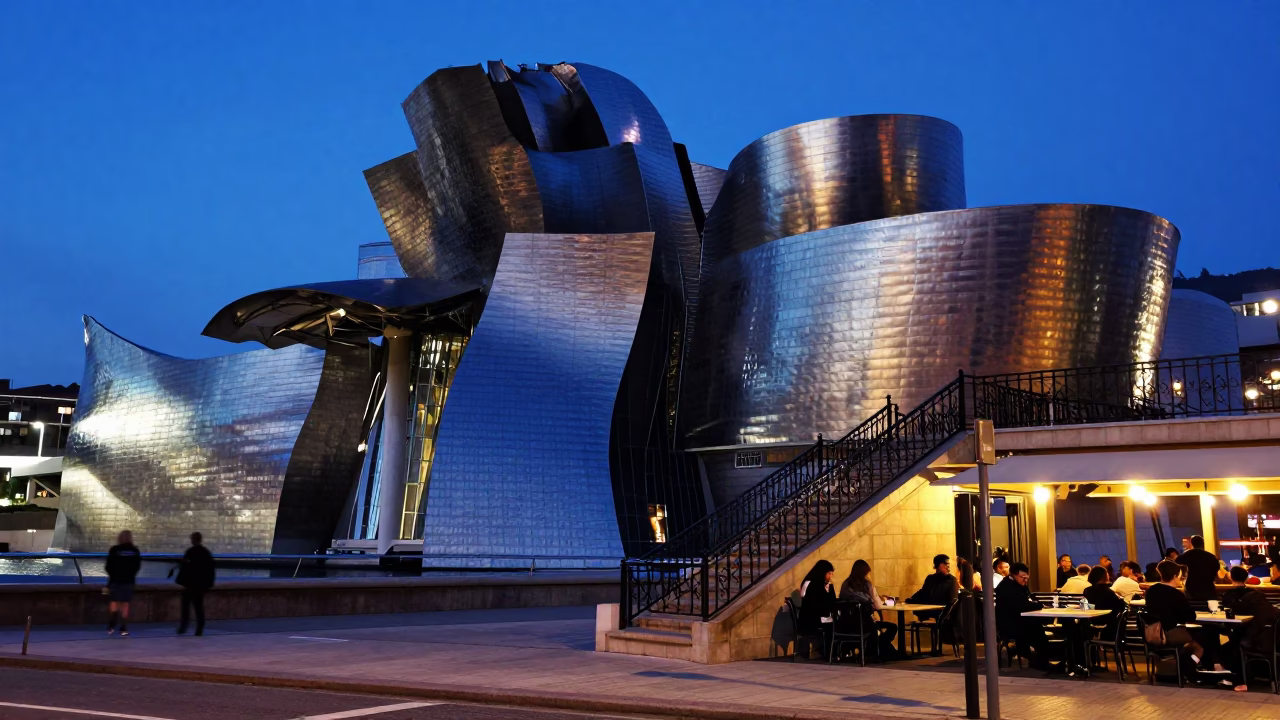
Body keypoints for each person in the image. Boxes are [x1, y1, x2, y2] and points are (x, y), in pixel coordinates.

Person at [1145, 559, 1227, 681]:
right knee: (1206, 637)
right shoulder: (1176, 594)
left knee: (1199, 637)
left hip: (1151, 633)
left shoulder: (1151, 591)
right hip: (1169, 633)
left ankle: (1188, 667)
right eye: (1180, 576)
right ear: (1175, 576)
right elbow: (1189, 616)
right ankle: (1193, 669)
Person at [1221, 565, 1279, 691]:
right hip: (1269, 637)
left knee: (1229, 643)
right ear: (1246, 578)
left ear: (1231, 578)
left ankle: (1237, 679)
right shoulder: (1258, 596)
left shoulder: (1230, 596)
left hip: (1254, 638)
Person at [839, 559, 899, 661]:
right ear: (865, 573)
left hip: (846, 624)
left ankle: (879, 648)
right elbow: (877, 605)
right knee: (892, 627)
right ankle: (878, 648)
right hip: (865, 625)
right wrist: (883, 600)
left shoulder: (845, 584)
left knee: (875, 627)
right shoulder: (867, 585)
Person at [995, 562, 1047, 669]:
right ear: (1014, 574)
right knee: (1037, 630)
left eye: (1027, 577)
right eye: (1023, 577)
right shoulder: (1006, 587)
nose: (1025, 580)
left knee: (1037, 628)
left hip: (1019, 620)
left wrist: (1036, 603)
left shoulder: (1019, 585)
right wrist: (1039, 605)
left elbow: (1028, 599)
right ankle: (1040, 661)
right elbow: (1020, 605)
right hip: (1009, 624)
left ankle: (1039, 660)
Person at [175, 532, 215, 636]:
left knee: (186, 605)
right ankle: (199, 628)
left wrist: (181, 580)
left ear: (193, 540)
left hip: (190, 584)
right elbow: (210, 570)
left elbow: (185, 567)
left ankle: (184, 626)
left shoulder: (191, 552)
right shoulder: (205, 553)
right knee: (198, 606)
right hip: (200, 585)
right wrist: (208, 584)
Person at [105, 530, 141, 637]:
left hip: (115, 580)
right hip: (128, 581)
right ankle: (123, 628)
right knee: (125, 604)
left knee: (114, 601)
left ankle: (112, 623)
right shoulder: (135, 550)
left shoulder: (114, 550)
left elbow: (108, 566)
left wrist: (114, 574)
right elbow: (137, 566)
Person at [908, 554, 958, 621]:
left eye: (948, 564)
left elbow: (953, 601)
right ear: (938, 565)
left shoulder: (951, 580)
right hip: (930, 611)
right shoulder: (930, 578)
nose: (948, 566)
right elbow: (923, 593)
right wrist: (911, 600)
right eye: (945, 564)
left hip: (943, 615)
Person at [797, 559, 837, 641]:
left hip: (816, 617)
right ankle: (829, 648)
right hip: (810, 620)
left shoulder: (820, 584)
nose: (831, 576)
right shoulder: (812, 584)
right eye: (829, 573)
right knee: (835, 626)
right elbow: (817, 604)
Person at [1083, 566, 1126, 637]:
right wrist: (1121, 599)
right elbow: (1120, 606)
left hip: (1091, 619)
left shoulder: (1087, 590)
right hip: (1107, 621)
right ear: (1105, 576)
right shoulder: (1109, 592)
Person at [1176, 535, 1219, 600]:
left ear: (1192, 544)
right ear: (1203, 543)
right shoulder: (1211, 556)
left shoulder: (1188, 554)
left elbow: (1176, 562)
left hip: (1191, 586)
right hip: (1208, 587)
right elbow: (1216, 568)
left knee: (1192, 604)